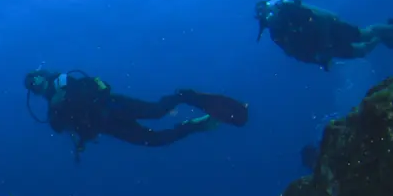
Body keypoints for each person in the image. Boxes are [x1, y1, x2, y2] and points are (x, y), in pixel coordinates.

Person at [23, 69, 249, 158]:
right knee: (154, 140)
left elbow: (92, 88)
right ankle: (196, 125)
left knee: (157, 111)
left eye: (35, 79)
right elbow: (61, 128)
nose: (35, 84)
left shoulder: (63, 80)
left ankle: (184, 96)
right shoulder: (52, 111)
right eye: (32, 86)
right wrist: (58, 108)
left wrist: (65, 96)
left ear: (42, 75)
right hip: (109, 126)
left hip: (113, 106)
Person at [254, 0, 393, 71]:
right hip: (322, 47)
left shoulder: (289, 11)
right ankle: (383, 38)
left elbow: (321, 19)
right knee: (362, 51)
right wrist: (319, 61)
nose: (269, 19)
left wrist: (325, 45)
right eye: (265, 19)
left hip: (331, 28)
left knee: (363, 34)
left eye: (268, 13)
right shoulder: (277, 35)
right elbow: (295, 53)